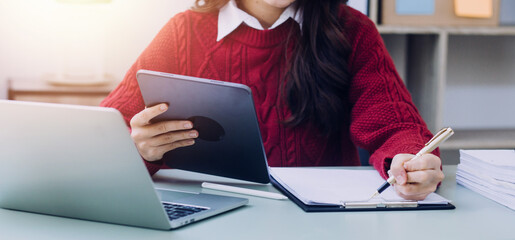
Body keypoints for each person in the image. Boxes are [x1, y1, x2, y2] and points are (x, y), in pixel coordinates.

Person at [100, 0, 444, 200]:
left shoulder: (352, 31)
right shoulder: (183, 33)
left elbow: (396, 126)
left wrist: (409, 162)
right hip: (206, 217)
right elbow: (104, 136)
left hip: (317, 224)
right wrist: (138, 149)